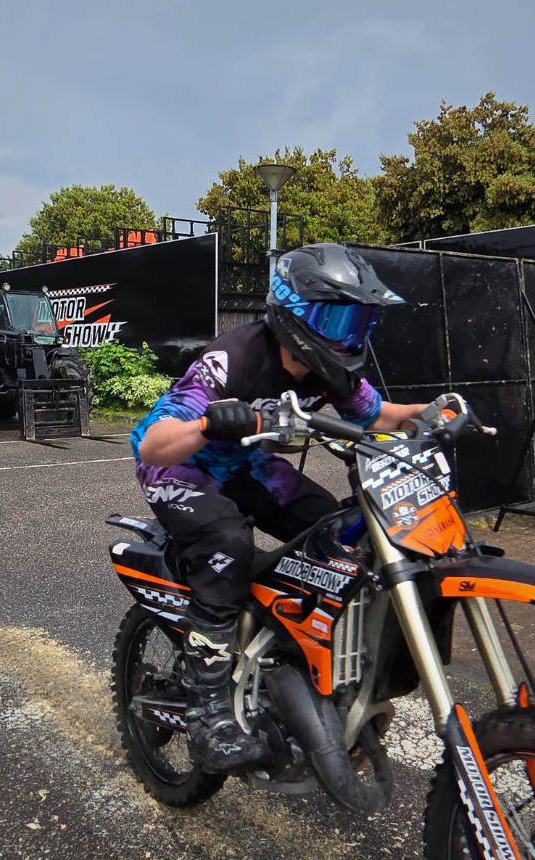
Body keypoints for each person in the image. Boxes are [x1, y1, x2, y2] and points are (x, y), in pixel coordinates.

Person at [131, 243, 429, 772]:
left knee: (334, 528)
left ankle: (290, 649)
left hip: (246, 464)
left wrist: (437, 413)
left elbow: (380, 416)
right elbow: (154, 444)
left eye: (358, 321)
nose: (348, 336)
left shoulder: (331, 372)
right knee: (227, 544)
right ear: (292, 313)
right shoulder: (234, 357)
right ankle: (208, 713)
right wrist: (209, 424)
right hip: (183, 468)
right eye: (336, 319)